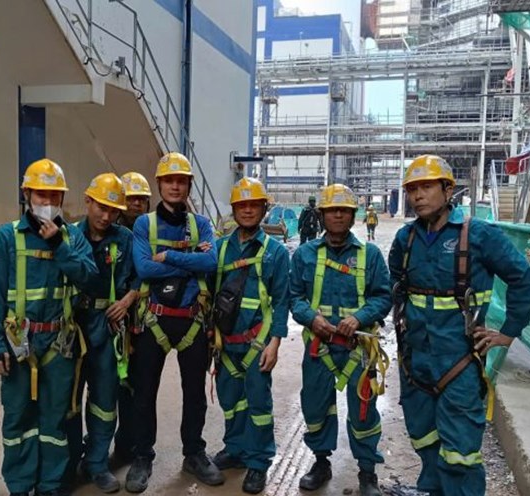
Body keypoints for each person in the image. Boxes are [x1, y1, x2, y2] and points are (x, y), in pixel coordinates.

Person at [389, 155, 530, 496]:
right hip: (415, 363)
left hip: (458, 363)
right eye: (412, 189)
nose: (418, 196)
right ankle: (432, 490)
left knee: (460, 452)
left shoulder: (479, 235)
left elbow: (524, 279)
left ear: (447, 190)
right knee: (424, 436)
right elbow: (396, 284)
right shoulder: (405, 239)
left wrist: (509, 332)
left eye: (427, 187)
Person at [0, 158, 98, 496]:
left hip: (59, 345)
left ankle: (50, 486)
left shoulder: (73, 237)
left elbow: (90, 280)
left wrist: (59, 245)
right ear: (27, 195)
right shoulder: (6, 238)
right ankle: (20, 485)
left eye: (54, 197)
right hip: (19, 344)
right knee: (17, 419)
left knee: (54, 421)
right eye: (41, 195)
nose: (47, 204)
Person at [124, 152, 223, 493]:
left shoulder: (202, 224)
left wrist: (169, 256)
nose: (175, 186)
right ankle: (142, 456)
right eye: (169, 180)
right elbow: (144, 269)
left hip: (193, 321)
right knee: (144, 393)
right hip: (155, 320)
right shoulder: (144, 225)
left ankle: (193, 453)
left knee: (194, 393)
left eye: (181, 181)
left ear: (188, 185)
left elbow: (210, 264)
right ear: (160, 184)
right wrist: (191, 260)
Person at [290, 183, 392, 496]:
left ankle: (367, 472)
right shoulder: (305, 255)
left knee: (363, 410)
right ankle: (321, 462)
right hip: (319, 347)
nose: (337, 215)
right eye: (332, 210)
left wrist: (359, 317)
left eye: (344, 210)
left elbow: (383, 297)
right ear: (321, 215)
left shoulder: (370, 255)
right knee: (316, 405)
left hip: (358, 348)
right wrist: (312, 319)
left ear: (352, 216)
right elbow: (294, 297)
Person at [210, 178, 289, 494]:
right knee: (230, 401)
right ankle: (236, 449)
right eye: (241, 205)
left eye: (253, 204)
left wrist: (275, 342)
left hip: (258, 341)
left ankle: (258, 462)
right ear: (233, 210)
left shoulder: (276, 253)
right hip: (225, 342)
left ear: (263, 209)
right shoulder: (220, 248)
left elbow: (281, 300)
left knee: (257, 403)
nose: (247, 210)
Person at [66, 173, 138, 493]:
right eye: (101, 207)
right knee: (68, 400)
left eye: (113, 210)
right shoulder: (68, 236)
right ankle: (68, 463)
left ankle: (97, 463)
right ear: (88, 201)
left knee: (104, 400)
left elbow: (140, 276)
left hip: (107, 327)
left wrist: (126, 300)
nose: (106, 216)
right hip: (71, 327)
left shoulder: (124, 239)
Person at [113, 171, 151, 463]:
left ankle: (130, 445)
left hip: (140, 325)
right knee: (105, 390)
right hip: (107, 324)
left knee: (135, 390)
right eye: (132, 198)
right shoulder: (106, 233)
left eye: (142, 199)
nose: (137, 204)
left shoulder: (153, 233)